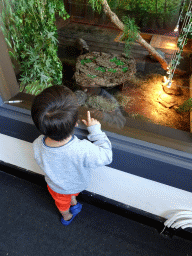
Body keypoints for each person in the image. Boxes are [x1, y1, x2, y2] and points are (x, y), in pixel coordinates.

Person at [31, 85, 113, 226]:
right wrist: (95, 131)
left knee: (65, 198)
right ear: (76, 123)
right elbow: (107, 156)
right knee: (63, 204)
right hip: (74, 185)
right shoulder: (82, 149)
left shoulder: (37, 143)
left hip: (56, 185)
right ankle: (67, 216)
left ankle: (72, 203)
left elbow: (41, 160)